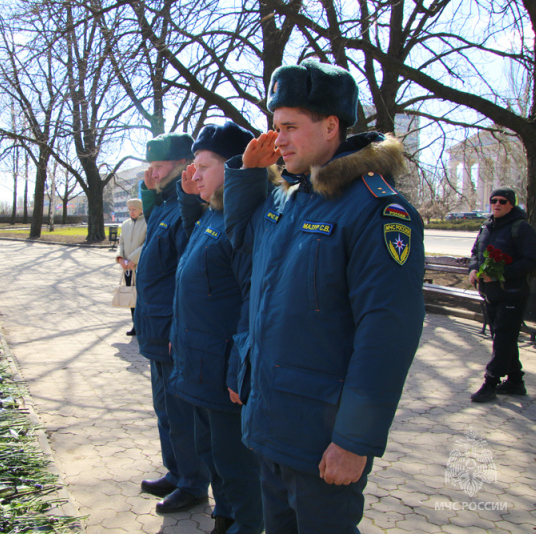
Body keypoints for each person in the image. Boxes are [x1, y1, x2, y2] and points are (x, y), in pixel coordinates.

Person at [223, 60, 425, 532]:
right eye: (276, 127)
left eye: (291, 127)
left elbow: (387, 333)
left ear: (331, 125)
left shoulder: (376, 209)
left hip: (323, 440)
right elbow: (242, 254)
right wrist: (248, 176)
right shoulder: (287, 197)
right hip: (271, 426)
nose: (280, 140)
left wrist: (355, 440)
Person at [170, 121, 263, 534]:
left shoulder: (243, 220)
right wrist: (192, 198)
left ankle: (243, 522)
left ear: (236, 168)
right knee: (213, 453)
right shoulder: (215, 213)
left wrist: (237, 368)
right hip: (201, 363)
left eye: (205, 166)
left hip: (225, 370)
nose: (194, 174)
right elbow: (193, 265)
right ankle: (224, 518)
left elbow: (251, 300)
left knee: (236, 464)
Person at [134, 132, 211, 513]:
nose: (153, 170)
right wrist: (149, 190)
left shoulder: (187, 208)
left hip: (169, 331)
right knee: (165, 409)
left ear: (183, 165)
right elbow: (154, 220)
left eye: (160, 165)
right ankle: (176, 471)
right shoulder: (166, 204)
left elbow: (187, 274)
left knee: (182, 414)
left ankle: (194, 483)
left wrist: (178, 330)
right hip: (153, 326)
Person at [468, 188, 536, 402]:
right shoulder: (487, 226)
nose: (497, 204)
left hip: (513, 294)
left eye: (502, 201)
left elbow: (531, 261)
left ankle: (491, 382)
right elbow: (475, 253)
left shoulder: (521, 228)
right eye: (493, 201)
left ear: (511, 204)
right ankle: (516, 381)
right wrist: (474, 269)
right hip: (490, 293)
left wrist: (500, 274)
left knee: (502, 339)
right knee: (503, 338)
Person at [116, 198, 147, 336]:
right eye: (129, 209)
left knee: (141, 297)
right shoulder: (125, 224)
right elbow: (121, 242)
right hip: (128, 268)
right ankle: (135, 325)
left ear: (141, 209)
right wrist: (120, 258)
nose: (131, 212)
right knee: (131, 297)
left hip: (140, 266)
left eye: (134, 209)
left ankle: (143, 326)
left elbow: (146, 244)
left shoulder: (147, 223)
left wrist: (133, 259)